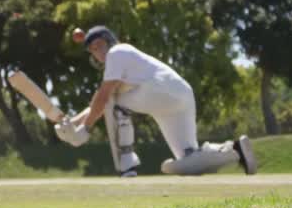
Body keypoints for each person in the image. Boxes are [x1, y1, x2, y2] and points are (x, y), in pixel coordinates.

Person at [72, 26, 257, 177]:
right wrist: (74, 123)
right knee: (189, 159)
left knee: (117, 104)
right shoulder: (125, 59)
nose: (99, 52)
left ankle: (127, 167)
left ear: (109, 41)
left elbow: (104, 98)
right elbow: (102, 102)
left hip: (158, 91)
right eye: (93, 50)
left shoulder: (116, 52)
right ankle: (235, 149)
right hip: (181, 94)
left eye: (100, 45)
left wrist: (86, 128)